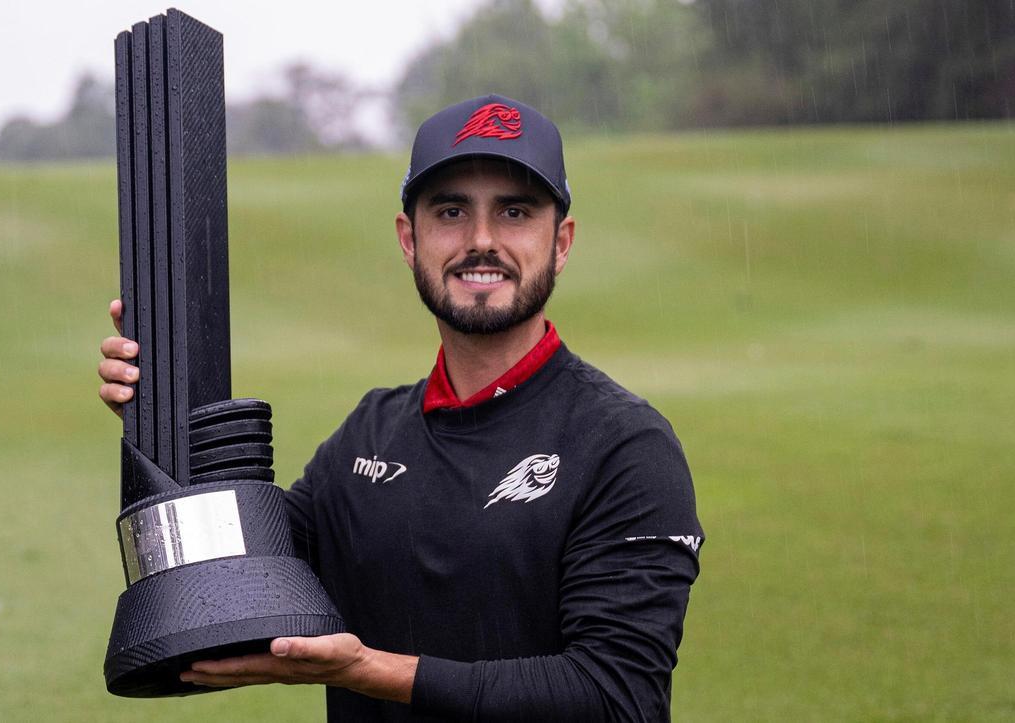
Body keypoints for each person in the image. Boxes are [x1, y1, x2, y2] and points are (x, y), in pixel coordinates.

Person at [98, 95, 703, 722]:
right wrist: (159, 423)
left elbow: (616, 696)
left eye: (515, 211)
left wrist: (369, 672)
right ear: (409, 239)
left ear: (562, 241)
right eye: (451, 211)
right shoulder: (369, 436)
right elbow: (235, 579)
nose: (482, 240)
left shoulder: (625, 445)